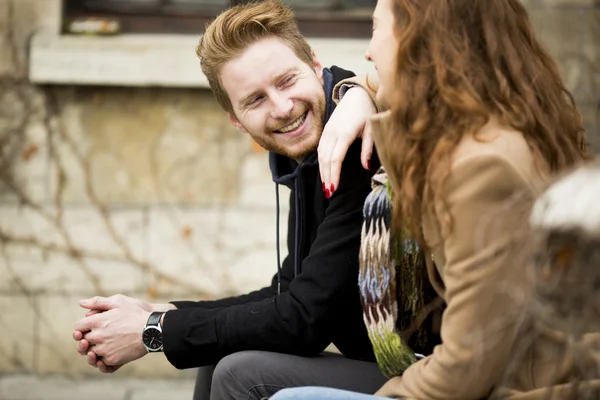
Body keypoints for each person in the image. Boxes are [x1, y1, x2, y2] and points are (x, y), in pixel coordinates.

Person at [71, 1, 407, 399]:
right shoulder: (306, 158)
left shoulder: (356, 147)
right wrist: (160, 316)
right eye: (255, 100)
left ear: (315, 63)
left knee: (239, 371)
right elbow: (289, 289)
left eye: (286, 81)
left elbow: (306, 319)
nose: (282, 108)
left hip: (425, 371)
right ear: (235, 117)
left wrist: (154, 332)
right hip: (381, 366)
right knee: (218, 352)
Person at [272, 0, 598, 399]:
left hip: (520, 388)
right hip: (486, 373)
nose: (368, 51)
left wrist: (387, 395)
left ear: (418, 39)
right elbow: (375, 79)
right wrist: (356, 93)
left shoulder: (480, 166)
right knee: (241, 370)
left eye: (375, 28)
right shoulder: (498, 119)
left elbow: (468, 362)